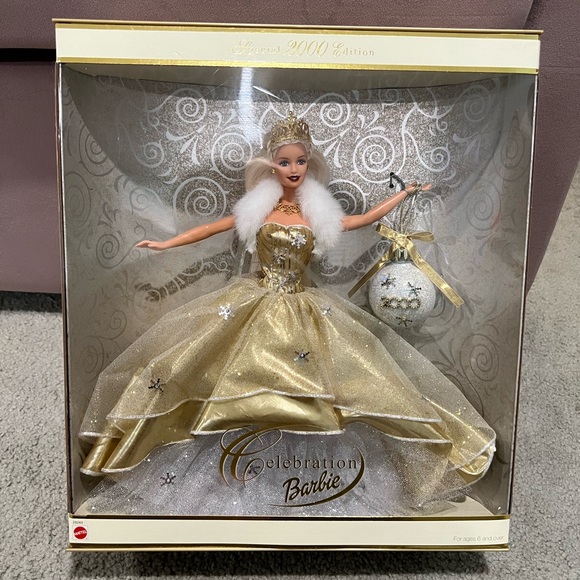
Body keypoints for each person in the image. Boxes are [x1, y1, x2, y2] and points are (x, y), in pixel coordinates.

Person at [79, 112, 495, 507]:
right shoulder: (259, 209)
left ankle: (308, 472)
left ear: (309, 164)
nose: (293, 169)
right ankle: (237, 465)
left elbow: (364, 219)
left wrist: (402, 195)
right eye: (284, 162)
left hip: (303, 305)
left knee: (332, 385)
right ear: (271, 166)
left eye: (300, 161)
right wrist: (165, 243)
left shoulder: (317, 213)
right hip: (255, 302)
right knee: (226, 377)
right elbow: (212, 227)